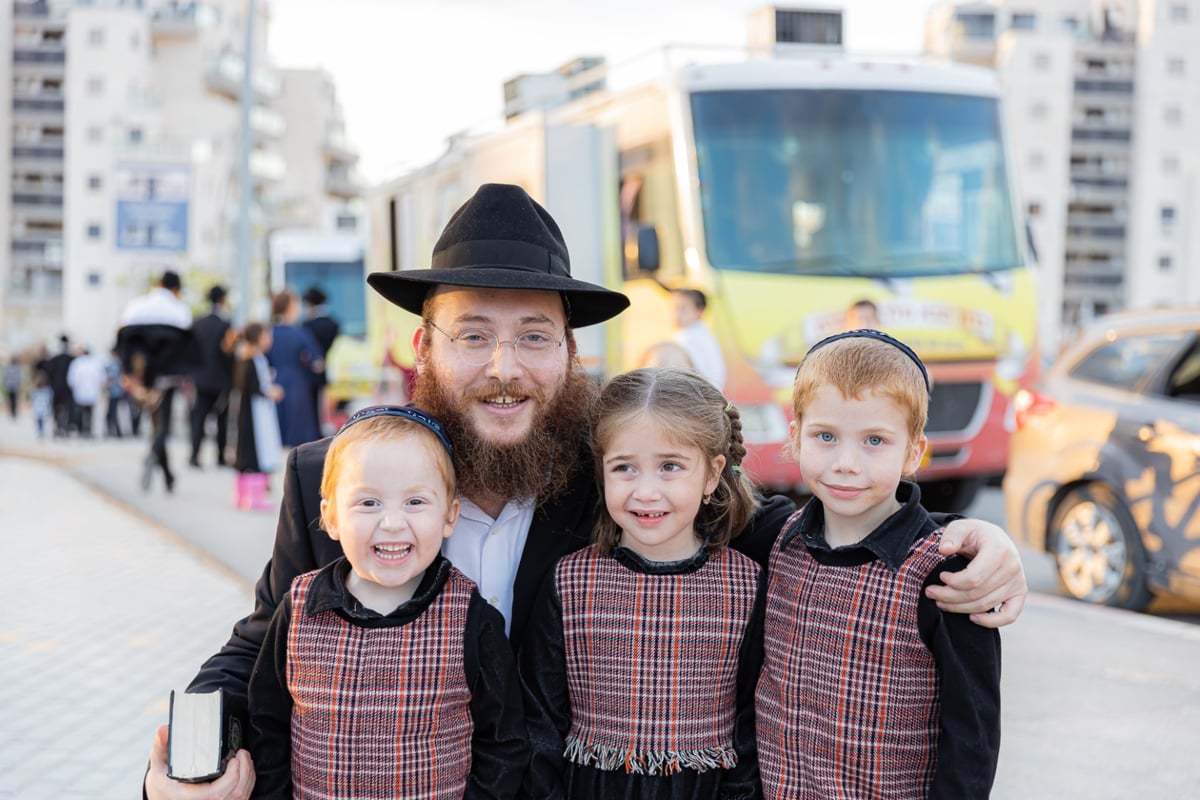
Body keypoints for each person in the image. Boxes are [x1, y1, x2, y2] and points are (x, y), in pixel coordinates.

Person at [143, 183, 1027, 800]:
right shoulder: (336, 482)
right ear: (424, 352)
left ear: (571, 357)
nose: (503, 368)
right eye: (473, 334)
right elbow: (261, 647)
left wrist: (969, 540)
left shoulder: (623, 480)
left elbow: (811, 519)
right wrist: (182, 768)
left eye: (534, 336)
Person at [756, 330, 1001, 799]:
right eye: (825, 436)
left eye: (874, 440)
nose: (846, 463)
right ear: (795, 437)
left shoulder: (946, 574)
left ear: (914, 451)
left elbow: (972, 735)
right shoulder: (778, 541)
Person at [246, 406, 528, 799]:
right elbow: (267, 727)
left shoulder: (471, 617)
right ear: (330, 518)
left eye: (415, 502)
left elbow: (503, 741)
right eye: (368, 503)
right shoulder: (298, 609)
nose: (393, 522)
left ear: (450, 515)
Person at [521, 367, 764, 799]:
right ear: (602, 472)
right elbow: (540, 717)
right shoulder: (571, 581)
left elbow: (752, 718)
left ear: (711, 474)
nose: (646, 491)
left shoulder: (745, 584)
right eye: (625, 468)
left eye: (670, 466)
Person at [117, 270, 194, 494]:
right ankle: (155, 457)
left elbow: (122, 340)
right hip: (167, 377)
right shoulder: (181, 311)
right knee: (163, 425)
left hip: (140, 377)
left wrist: (127, 372)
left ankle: (167, 473)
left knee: (154, 424)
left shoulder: (135, 306)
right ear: (176, 289)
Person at [232, 323, 284, 511]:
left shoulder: (245, 357)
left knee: (246, 451)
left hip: (251, 413)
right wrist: (271, 392)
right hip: (255, 415)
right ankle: (254, 498)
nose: (269, 340)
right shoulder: (252, 359)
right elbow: (254, 387)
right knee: (255, 450)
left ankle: (242, 495)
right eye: (266, 336)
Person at [266, 289, 324, 448]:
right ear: (290, 307)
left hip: (275, 382)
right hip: (297, 384)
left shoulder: (269, 332)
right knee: (299, 433)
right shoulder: (300, 333)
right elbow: (317, 362)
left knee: (278, 429)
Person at [189, 285, 235, 469]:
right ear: (222, 299)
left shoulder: (197, 323)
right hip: (221, 380)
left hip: (200, 378)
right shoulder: (225, 325)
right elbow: (228, 353)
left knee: (199, 417)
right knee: (222, 419)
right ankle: (221, 457)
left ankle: (194, 455)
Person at [301, 285, 340, 434]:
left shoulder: (307, 325)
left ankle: (315, 432)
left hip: (309, 371)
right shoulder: (334, 324)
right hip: (328, 370)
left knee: (311, 406)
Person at [671, 288, 726, 390]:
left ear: (700, 311)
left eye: (683, 309)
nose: (676, 315)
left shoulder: (694, 338)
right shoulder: (688, 334)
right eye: (674, 308)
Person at [66, 347, 106, 439]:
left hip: (80, 392)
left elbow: (71, 379)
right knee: (89, 413)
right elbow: (102, 379)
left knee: (80, 412)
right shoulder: (96, 363)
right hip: (92, 392)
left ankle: (81, 429)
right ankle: (88, 430)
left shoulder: (76, 363)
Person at [45, 335, 75, 437]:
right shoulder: (70, 359)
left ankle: (60, 427)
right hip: (65, 388)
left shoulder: (55, 359)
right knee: (64, 408)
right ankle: (62, 427)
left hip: (58, 388)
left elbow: (48, 372)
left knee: (59, 409)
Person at [29, 371, 52, 439]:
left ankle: (40, 432)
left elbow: (32, 400)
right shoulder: (46, 391)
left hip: (40, 408)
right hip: (41, 408)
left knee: (40, 421)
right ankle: (41, 432)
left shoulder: (36, 391)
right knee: (40, 421)